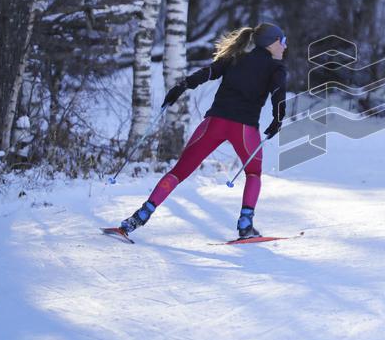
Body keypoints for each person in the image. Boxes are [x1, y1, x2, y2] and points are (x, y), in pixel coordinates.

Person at [112, 22, 288, 241]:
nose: (284, 47)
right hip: (243, 128)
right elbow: (278, 94)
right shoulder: (275, 68)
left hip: (213, 123)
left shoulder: (235, 57)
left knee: (178, 172)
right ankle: (245, 225)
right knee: (253, 173)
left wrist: (180, 87)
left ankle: (137, 218)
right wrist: (278, 119)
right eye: (283, 41)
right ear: (271, 43)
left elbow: (207, 73)